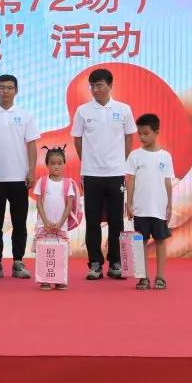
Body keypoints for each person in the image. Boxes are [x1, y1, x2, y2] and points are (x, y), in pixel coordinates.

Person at [71, 68, 136, 281]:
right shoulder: (83, 111)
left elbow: (129, 137)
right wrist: (87, 162)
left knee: (116, 220)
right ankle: (95, 263)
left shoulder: (123, 109)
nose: (95, 89)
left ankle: (115, 261)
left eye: (99, 85)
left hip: (116, 173)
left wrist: (122, 162)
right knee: (93, 220)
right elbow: (77, 139)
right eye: (92, 86)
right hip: (91, 174)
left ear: (110, 85)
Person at [0, 74, 39, 280]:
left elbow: (31, 145)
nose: (6, 91)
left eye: (10, 88)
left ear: (16, 91)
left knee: (19, 223)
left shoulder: (26, 116)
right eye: (2, 87)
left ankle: (18, 262)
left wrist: (31, 171)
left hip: (19, 178)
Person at [125, 114, 174, 290]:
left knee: (160, 241)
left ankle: (160, 276)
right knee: (140, 242)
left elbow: (168, 182)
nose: (142, 137)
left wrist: (169, 205)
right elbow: (130, 181)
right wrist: (128, 203)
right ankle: (143, 277)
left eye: (146, 133)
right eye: (140, 134)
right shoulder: (134, 156)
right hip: (140, 208)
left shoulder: (165, 156)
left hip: (159, 208)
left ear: (156, 132)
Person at [33, 146, 77, 290]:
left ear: (64, 164)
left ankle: (59, 280)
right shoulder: (42, 182)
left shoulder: (68, 183)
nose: (56, 166)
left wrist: (60, 223)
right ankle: (44, 279)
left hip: (60, 226)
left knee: (60, 253)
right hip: (44, 225)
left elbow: (69, 206)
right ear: (47, 164)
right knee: (44, 252)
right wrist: (45, 222)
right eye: (52, 163)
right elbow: (39, 203)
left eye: (59, 163)